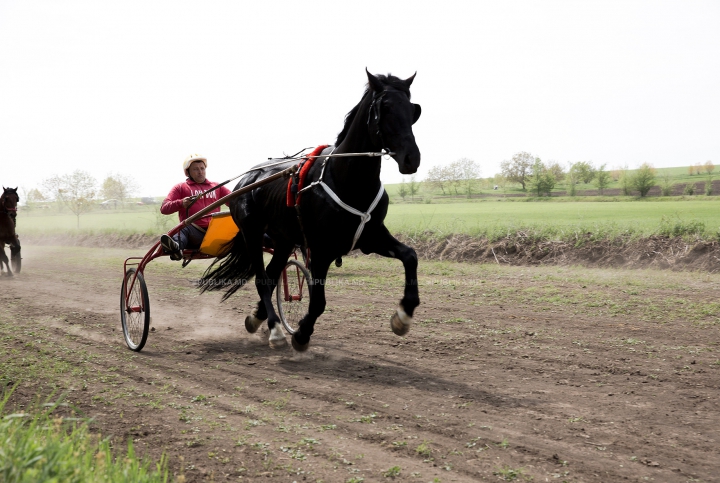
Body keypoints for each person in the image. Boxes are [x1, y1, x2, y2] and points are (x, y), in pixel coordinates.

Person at [160, 154, 231, 260]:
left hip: (216, 233)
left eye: (202, 168)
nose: (200, 171)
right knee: (183, 228)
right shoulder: (180, 187)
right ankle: (175, 248)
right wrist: (181, 203)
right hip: (195, 235)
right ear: (187, 172)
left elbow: (235, 201)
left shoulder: (217, 187)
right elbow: (164, 208)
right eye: (195, 169)